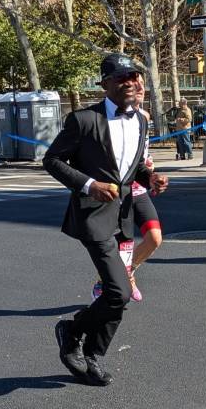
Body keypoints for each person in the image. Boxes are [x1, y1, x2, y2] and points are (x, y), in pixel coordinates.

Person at [43, 53, 168, 386]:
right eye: (120, 77)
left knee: (118, 296)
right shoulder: (83, 120)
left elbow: (131, 166)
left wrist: (150, 177)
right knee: (119, 292)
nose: (129, 82)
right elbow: (52, 160)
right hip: (93, 218)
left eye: (133, 76)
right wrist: (88, 184)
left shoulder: (141, 120)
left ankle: (93, 355)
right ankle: (72, 331)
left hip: (123, 215)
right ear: (106, 84)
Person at [92, 74, 162, 302]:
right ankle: (107, 283)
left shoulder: (144, 117)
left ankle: (128, 272)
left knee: (154, 238)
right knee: (122, 245)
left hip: (138, 187)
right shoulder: (105, 117)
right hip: (116, 189)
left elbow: (140, 154)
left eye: (142, 83)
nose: (139, 87)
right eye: (134, 83)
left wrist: (149, 169)